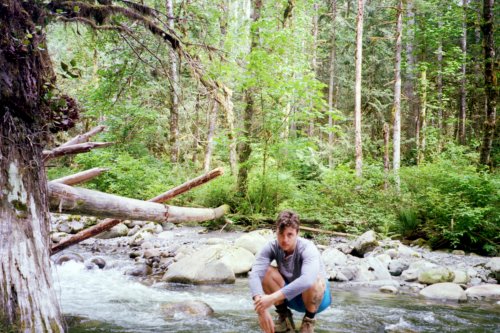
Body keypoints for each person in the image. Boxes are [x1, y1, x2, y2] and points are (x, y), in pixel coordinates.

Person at [248, 210, 332, 333]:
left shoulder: (308, 248)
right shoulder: (271, 247)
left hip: (317, 299)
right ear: (276, 231)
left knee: (313, 279)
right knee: (264, 271)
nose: (284, 239)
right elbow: (254, 274)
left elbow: (307, 280)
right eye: (281, 234)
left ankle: (308, 322)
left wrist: (271, 298)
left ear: (297, 233)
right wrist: (261, 309)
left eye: (290, 234)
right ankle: (285, 321)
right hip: (290, 296)